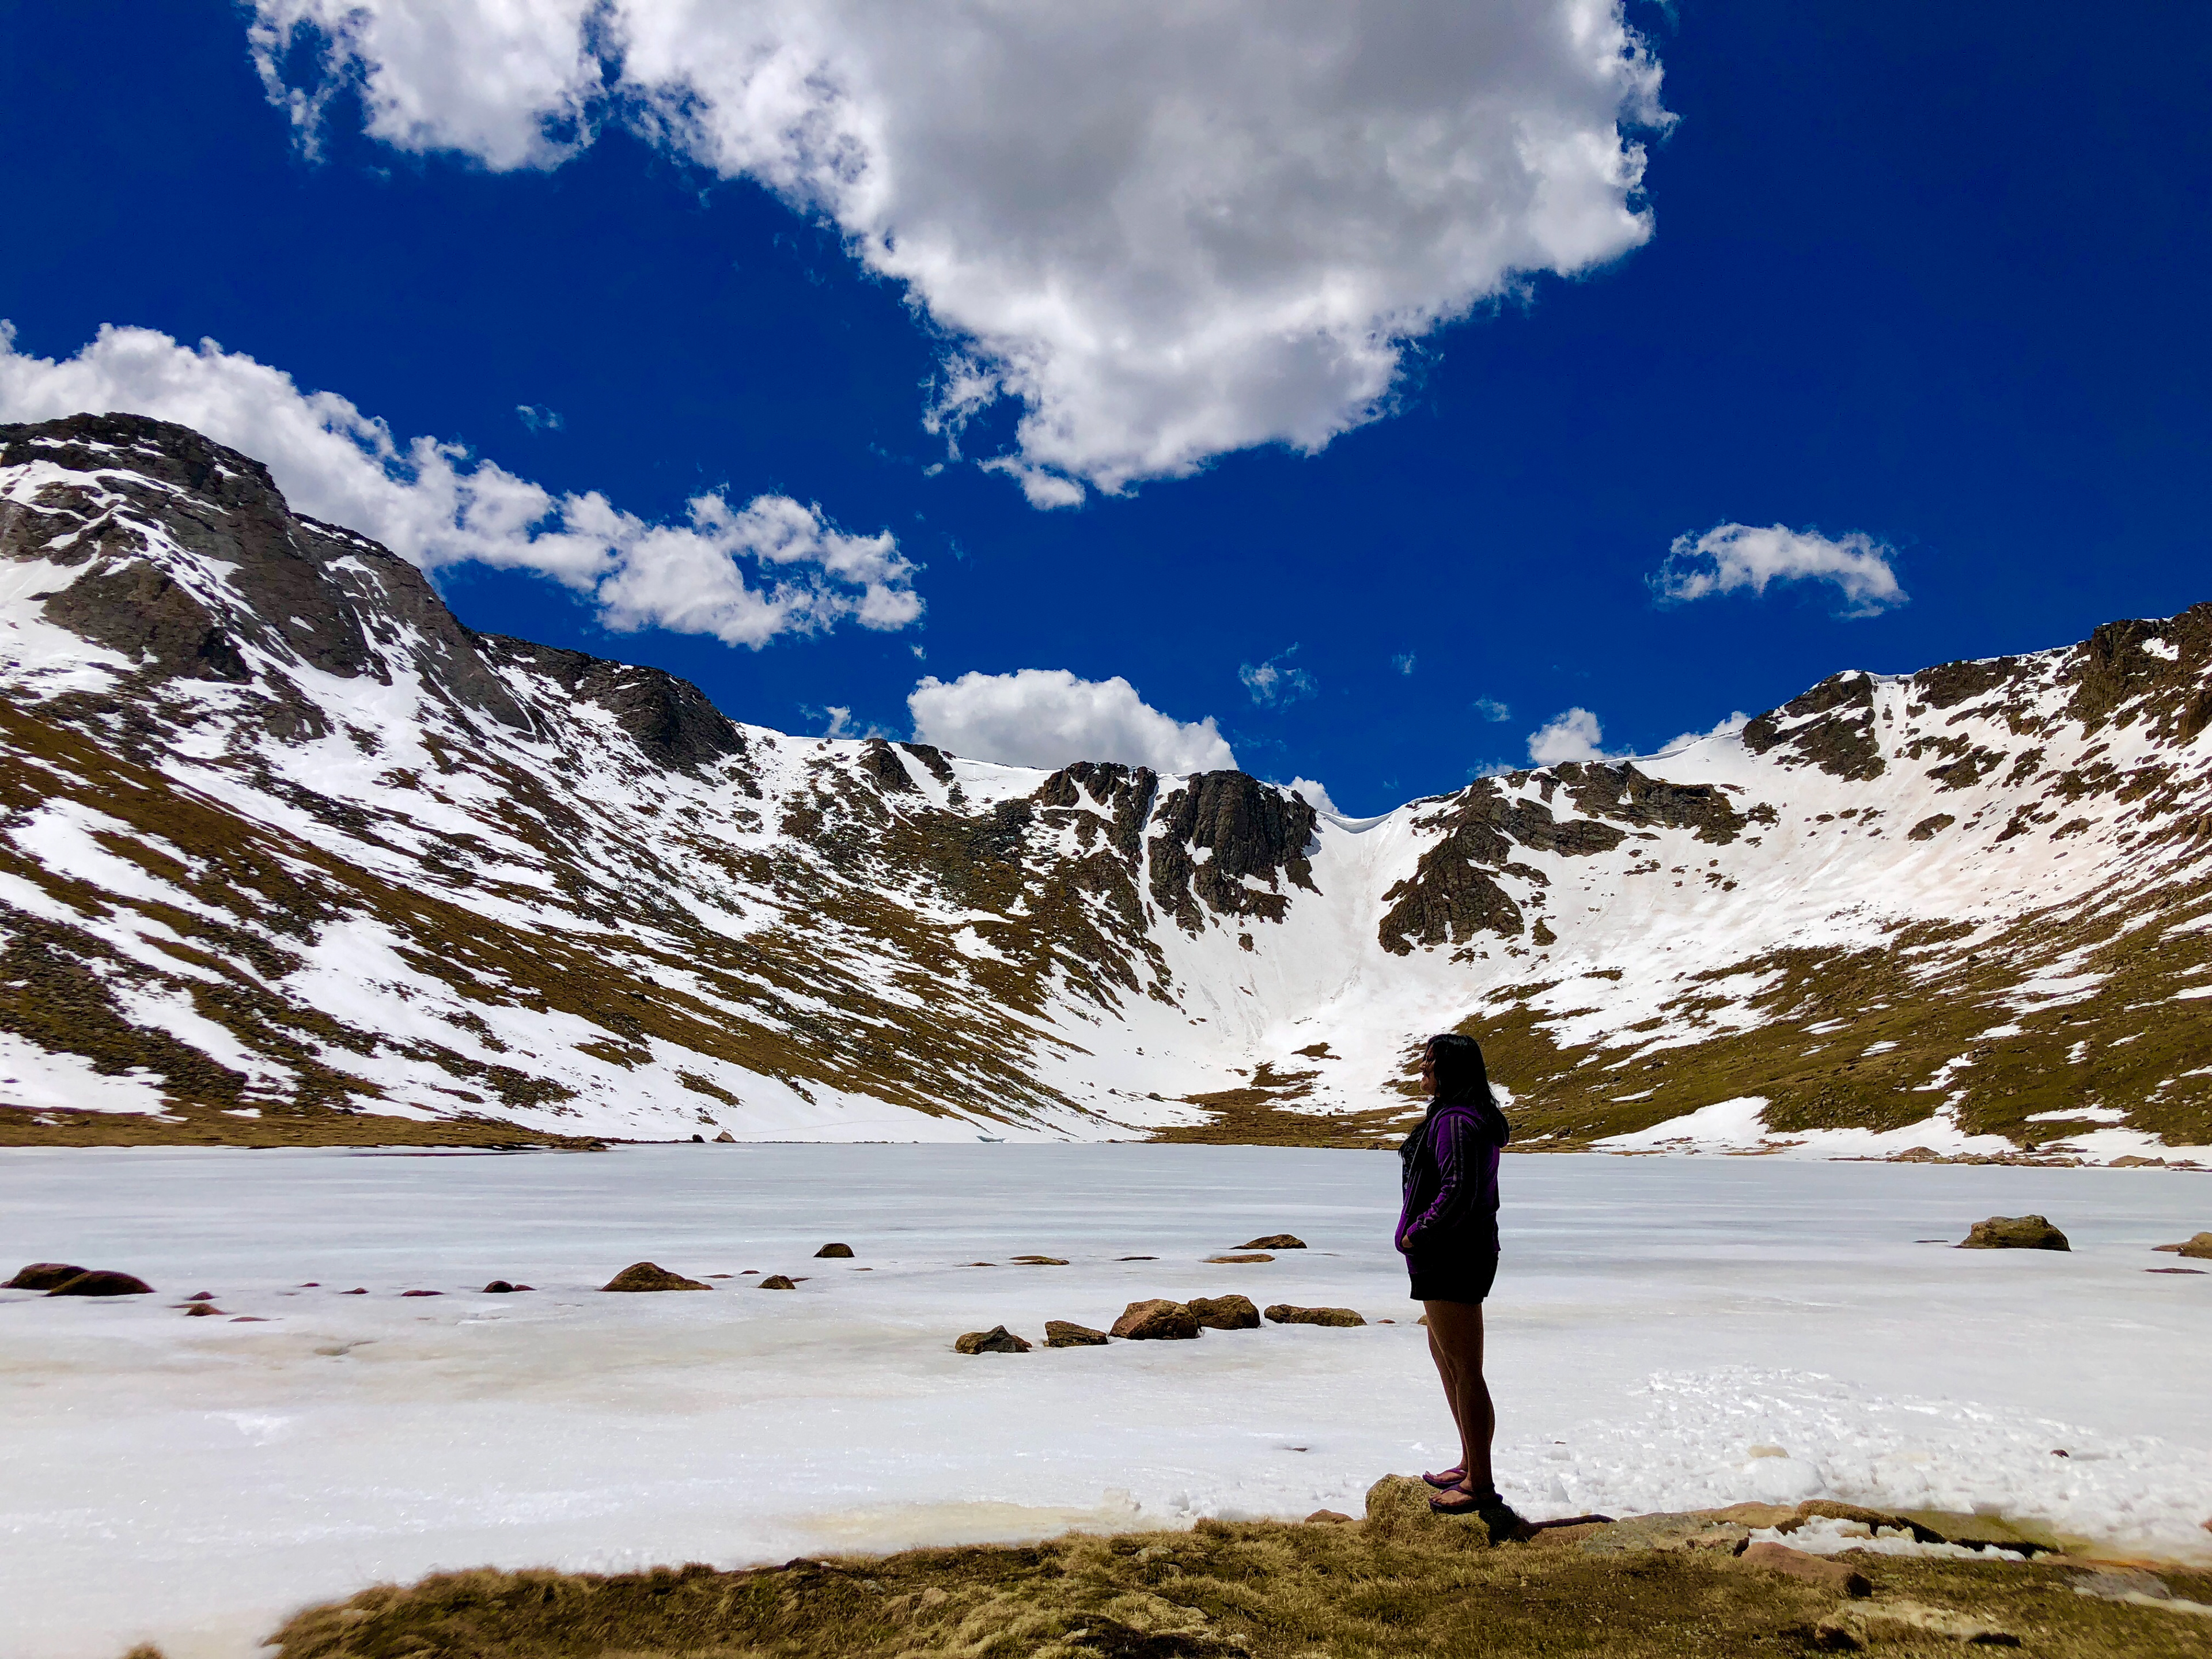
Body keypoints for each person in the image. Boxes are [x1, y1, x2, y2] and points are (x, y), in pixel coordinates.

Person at [1395, 1031, 1522, 1525]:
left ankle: (1480, 1484)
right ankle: (1470, 1463)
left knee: (1465, 1368)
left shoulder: (1455, 1122)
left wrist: (1420, 1233)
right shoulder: (1459, 1117)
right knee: (1449, 1359)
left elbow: (1459, 1189)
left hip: (1451, 1256)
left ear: (1452, 1070)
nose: (1422, 1071)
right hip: (1450, 1254)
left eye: (1430, 1064)